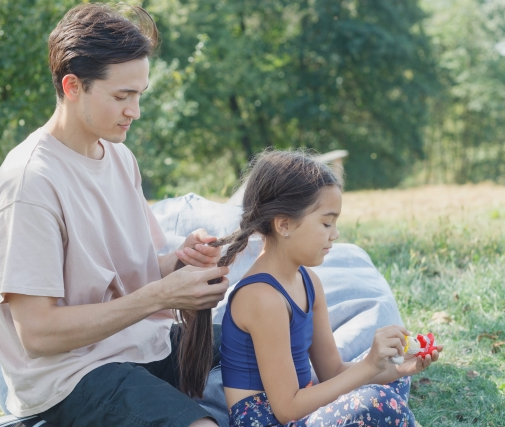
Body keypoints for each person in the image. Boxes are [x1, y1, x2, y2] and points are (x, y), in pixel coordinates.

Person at [0, 4, 229, 426]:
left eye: (139, 95)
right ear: (73, 86)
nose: (136, 111)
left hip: (141, 344)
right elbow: (38, 334)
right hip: (71, 377)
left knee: (258, 334)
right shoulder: (28, 186)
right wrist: (163, 296)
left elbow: (125, 279)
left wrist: (177, 264)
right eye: (122, 96)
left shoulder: (119, 157)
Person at [177, 150, 443, 427]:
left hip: (304, 406)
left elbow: (333, 371)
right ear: (285, 224)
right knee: (375, 400)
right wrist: (368, 370)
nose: (335, 234)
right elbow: (286, 409)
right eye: (326, 223)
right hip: (270, 419)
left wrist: (399, 369)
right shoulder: (261, 298)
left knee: (387, 368)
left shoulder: (308, 281)